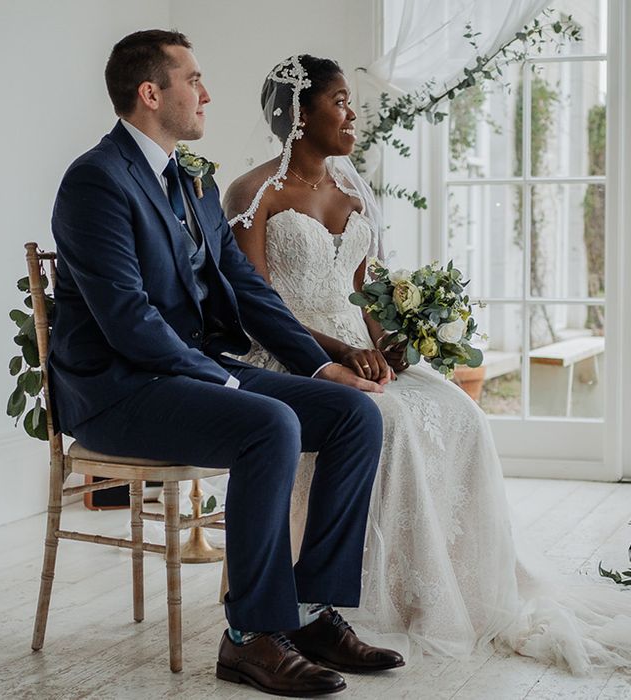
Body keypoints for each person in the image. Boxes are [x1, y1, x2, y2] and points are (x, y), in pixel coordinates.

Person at [224, 54, 631, 673]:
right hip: (293, 356)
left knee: (459, 411)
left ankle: (442, 585)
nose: (352, 112)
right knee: (393, 422)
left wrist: (391, 343)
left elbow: (361, 294)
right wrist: (339, 355)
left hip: (357, 350)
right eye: (338, 101)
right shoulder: (253, 193)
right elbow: (254, 308)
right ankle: (336, 601)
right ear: (300, 114)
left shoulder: (350, 189)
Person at [48, 31, 404, 696]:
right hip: (119, 391)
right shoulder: (95, 181)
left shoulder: (193, 179)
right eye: (193, 79)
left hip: (188, 371)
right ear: (151, 94)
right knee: (267, 424)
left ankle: (307, 614)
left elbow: (246, 290)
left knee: (354, 413)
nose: (206, 93)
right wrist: (228, 377)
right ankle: (249, 638)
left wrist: (320, 368)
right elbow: (128, 320)